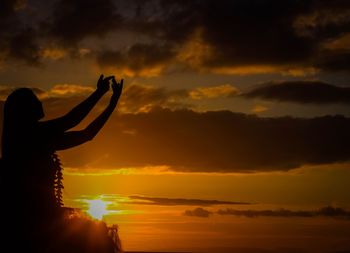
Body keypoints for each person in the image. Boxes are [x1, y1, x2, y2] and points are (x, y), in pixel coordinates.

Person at [0, 75, 123, 252]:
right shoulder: (30, 135)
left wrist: (111, 104)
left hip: (45, 216)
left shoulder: (39, 138)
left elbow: (87, 134)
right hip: (32, 220)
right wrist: (99, 93)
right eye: (34, 100)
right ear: (24, 109)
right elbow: (71, 120)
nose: (39, 103)